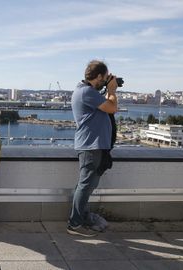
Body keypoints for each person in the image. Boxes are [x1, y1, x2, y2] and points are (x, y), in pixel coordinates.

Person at [67, 60, 118, 237]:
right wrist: (111, 90)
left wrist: (107, 89)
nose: (105, 81)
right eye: (104, 78)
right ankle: (75, 224)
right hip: (90, 146)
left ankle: (83, 216)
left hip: (93, 145)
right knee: (85, 185)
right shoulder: (86, 92)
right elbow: (112, 108)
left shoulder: (86, 91)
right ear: (98, 76)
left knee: (87, 186)